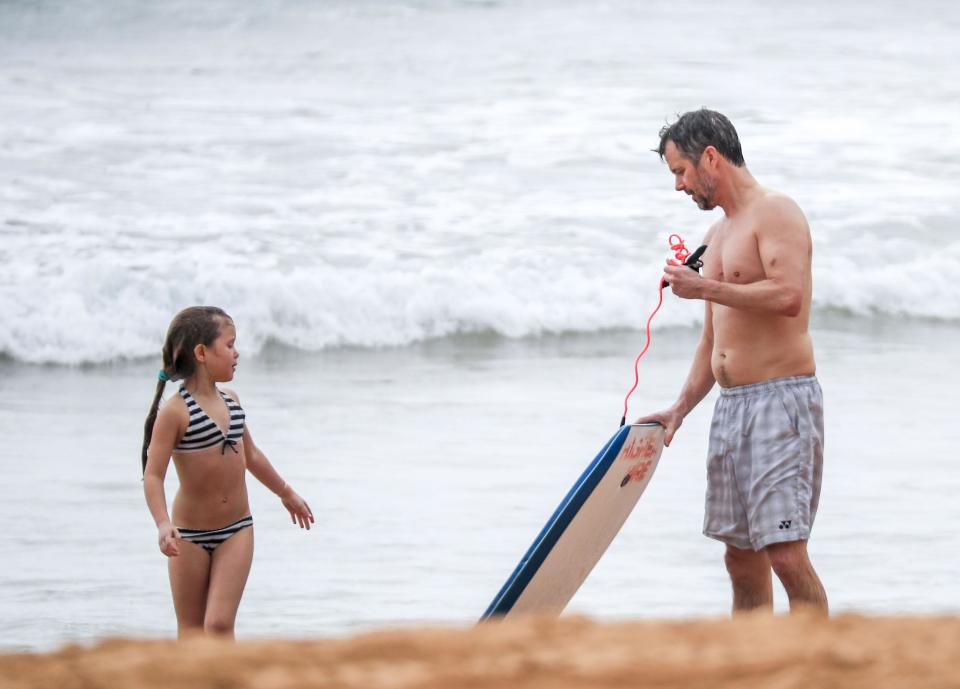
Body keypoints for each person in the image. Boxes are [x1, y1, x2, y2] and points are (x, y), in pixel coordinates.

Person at [637, 109, 828, 614]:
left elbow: (789, 295)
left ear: (711, 158)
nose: (679, 186)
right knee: (740, 559)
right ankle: (754, 667)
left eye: (680, 171)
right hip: (731, 408)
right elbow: (711, 342)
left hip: (779, 401)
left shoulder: (777, 212)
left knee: (785, 555)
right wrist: (680, 408)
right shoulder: (715, 236)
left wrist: (704, 286)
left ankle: (826, 667)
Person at [142, 306, 314, 638]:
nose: (237, 353)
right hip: (188, 536)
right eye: (230, 345)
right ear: (202, 353)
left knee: (219, 624)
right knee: (192, 631)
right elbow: (153, 475)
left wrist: (286, 492)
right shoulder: (175, 412)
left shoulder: (231, 401)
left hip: (237, 529)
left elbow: (251, 455)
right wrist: (163, 523)